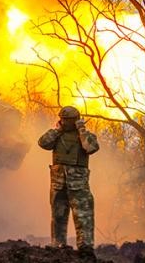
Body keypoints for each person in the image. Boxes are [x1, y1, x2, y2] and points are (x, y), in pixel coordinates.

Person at [38, 106, 99, 257]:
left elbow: (90, 147)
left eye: (68, 120)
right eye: (62, 119)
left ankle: (86, 249)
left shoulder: (86, 136)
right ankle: (58, 246)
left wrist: (81, 130)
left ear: (76, 120)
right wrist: (57, 130)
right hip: (58, 184)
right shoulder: (56, 135)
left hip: (79, 186)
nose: (64, 122)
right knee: (58, 217)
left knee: (83, 217)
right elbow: (43, 143)